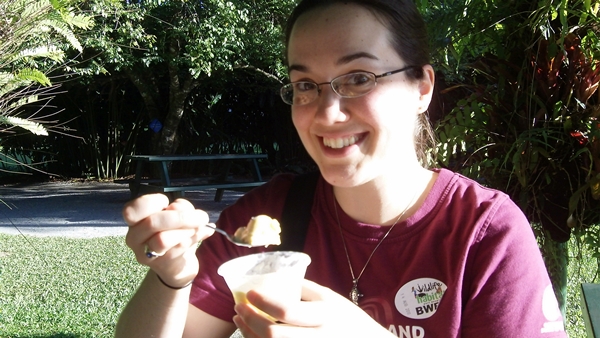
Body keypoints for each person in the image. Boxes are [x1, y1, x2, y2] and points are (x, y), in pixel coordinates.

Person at [115, 0, 568, 337]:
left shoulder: (483, 232)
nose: (327, 113)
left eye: (358, 79)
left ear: (421, 88)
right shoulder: (271, 213)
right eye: (305, 84)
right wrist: (170, 278)